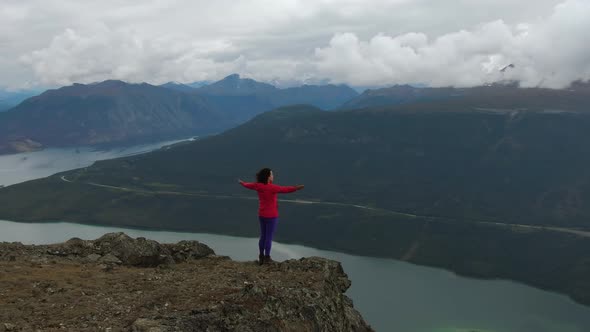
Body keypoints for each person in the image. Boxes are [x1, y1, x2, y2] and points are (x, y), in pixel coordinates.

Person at [239, 168, 304, 265]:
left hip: (262, 214)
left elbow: (248, 185)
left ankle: (261, 256)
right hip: (272, 216)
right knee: (269, 237)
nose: (273, 176)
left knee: (263, 236)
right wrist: (296, 188)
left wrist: (242, 183)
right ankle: (267, 258)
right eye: (272, 174)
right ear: (268, 177)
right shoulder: (272, 187)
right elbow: (285, 189)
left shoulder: (257, 186)